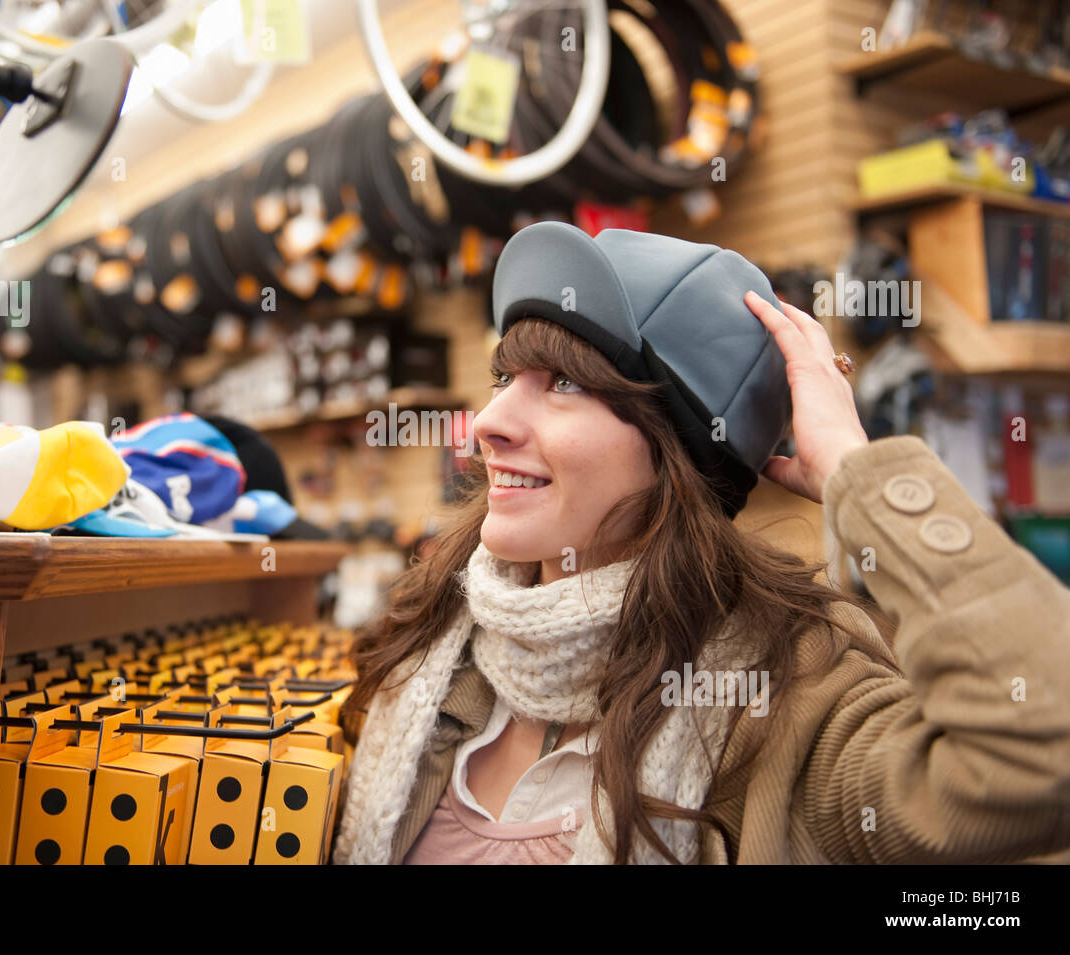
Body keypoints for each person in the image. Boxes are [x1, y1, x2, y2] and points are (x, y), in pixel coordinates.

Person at [330, 221, 1070, 865]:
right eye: (504, 374)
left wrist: (854, 467)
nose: (489, 420)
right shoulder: (432, 647)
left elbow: (1042, 744)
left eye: (565, 384)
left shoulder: (786, 711)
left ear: (676, 455)